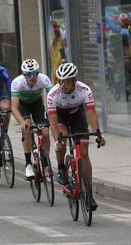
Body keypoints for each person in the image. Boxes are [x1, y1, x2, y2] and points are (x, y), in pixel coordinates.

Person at [47, 63, 106, 211]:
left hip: (77, 115)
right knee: (63, 138)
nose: (63, 85)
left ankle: (89, 194)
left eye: (67, 81)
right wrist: (57, 142)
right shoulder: (53, 94)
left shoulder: (84, 90)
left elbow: (91, 115)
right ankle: (61, 167)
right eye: (60, 81)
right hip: (60, 117)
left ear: (74, 80)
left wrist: (98, 134)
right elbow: (53, 122)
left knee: (84, 153)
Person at [11, 59, 53, 179]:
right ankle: (28, 164)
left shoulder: (44, 79)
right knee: (27, 127)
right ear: (24, 75)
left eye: (35, 73)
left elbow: (53, 99)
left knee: (45, 131)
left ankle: (45, 162)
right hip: (22, 105)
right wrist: (21, 121)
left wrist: (52, 115)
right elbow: (14, 107)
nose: (32, 77)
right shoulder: (17, 83)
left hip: (37, 105)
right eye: (28, 74)